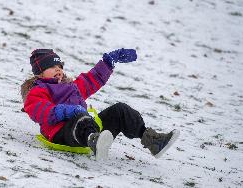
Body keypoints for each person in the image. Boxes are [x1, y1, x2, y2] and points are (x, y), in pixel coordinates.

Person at [21, 48, 180, 160]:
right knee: (81, 117)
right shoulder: (38, 90)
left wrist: (109, 61)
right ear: (40, 73)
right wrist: (67, 111)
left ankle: (153, 140)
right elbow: (41, 111)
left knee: (120, 110)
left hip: (85, 127)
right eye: (52, 66)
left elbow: (91, 79)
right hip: (60, 133)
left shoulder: (71, 87)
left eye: (59, 66)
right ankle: (94, 140)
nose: (58, 69)